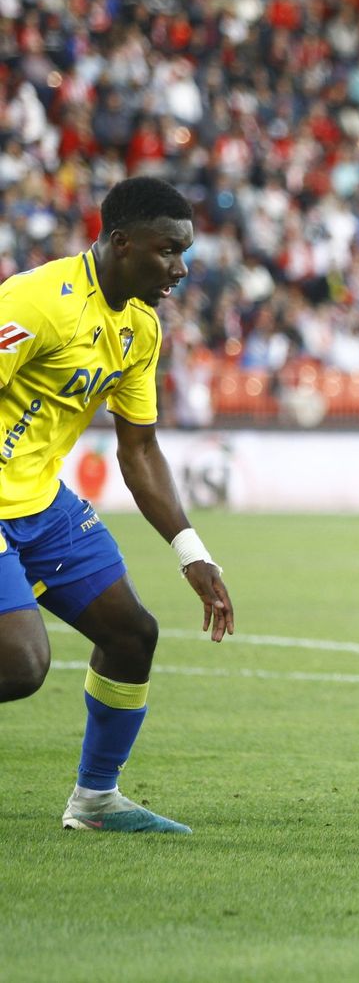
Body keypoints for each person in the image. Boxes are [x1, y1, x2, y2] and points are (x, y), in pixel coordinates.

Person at [0, 176, 234, 833]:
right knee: (20, 664)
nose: (180, 269)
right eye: (168, 251)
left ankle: (96, 800)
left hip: (40, 505)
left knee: (132, 635)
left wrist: (193, 553)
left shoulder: (140, 328)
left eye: (184, 253)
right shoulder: (37, 303)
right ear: (120, 243)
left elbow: (139, 450)